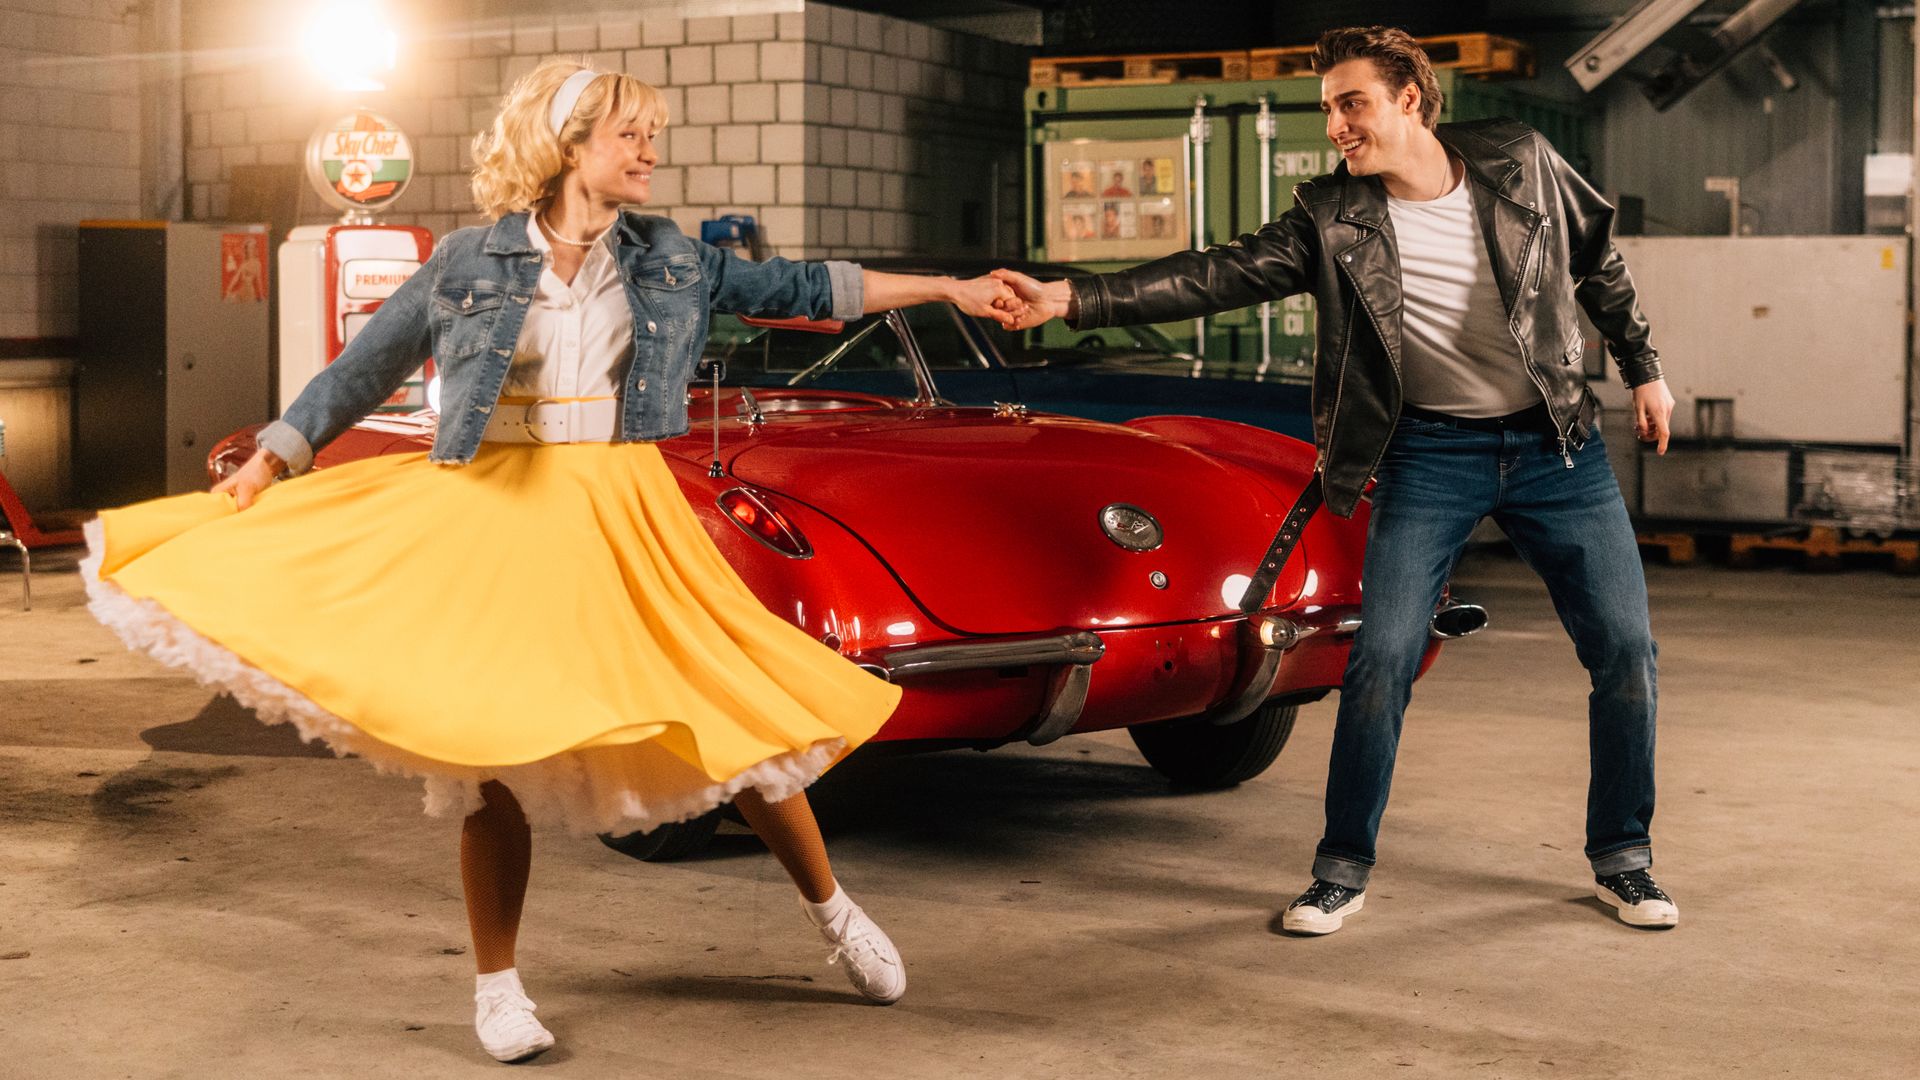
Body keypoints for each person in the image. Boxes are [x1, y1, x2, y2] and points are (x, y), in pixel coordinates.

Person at [83, 59, 1021, 1064]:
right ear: (569, 145)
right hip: (492, 510)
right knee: (488, 758)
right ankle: (498, 989)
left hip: (621, 512)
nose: (651, 151)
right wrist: (272, 457)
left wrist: (952, 287)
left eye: (653, 134)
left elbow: (805, 288)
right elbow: (366, 368)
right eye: (632, 134)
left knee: (733, 724)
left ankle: (835, 916)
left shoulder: (668, 256)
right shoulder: (467, 260)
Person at [994, 26, 1679, 936]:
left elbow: (1597, 262)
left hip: (1556, 446)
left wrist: (1643, 367)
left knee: (1626, 655)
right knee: (1382, 662)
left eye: (1351, 102)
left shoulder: (1522, 159)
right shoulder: (1331, 215)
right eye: (1327, 108)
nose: (1336, 124)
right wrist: (1073, 298)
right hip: (1428, 455)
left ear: (1410, 100)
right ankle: (1341, 867)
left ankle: (1623, 858)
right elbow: (1217, 276)